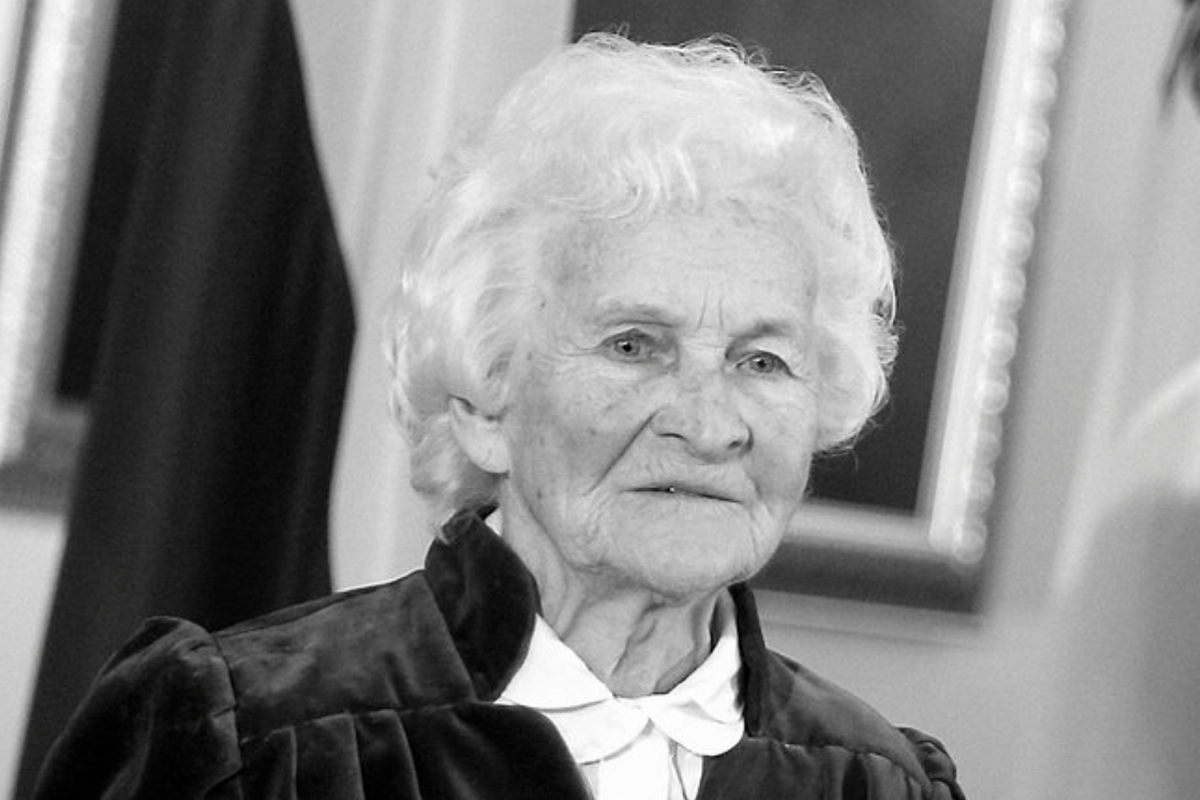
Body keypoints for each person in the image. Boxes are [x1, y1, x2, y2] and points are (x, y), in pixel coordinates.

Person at [33, 33, 965, 800]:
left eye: (762, 361)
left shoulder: (876, 782)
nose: (711, 424)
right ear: (484, 399)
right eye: (635, 346)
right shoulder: (256, 743)